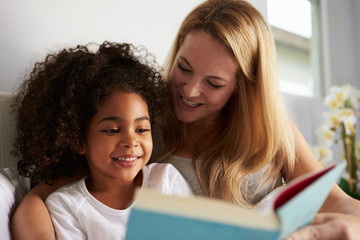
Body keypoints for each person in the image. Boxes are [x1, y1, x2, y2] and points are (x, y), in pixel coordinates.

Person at [10, 0, 360, 239]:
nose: (189, 91)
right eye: (184, 67)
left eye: (213, 83)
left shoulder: (271, 130)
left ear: (243, 86)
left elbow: (339, 203)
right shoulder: (141, 126)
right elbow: (40, 197)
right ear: (176, 52)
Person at [10, 41, 192, 239]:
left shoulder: (165, 181)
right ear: (78, 140)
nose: (131, 141)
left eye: (141, 129)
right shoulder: (66, 206)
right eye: (113, 130)